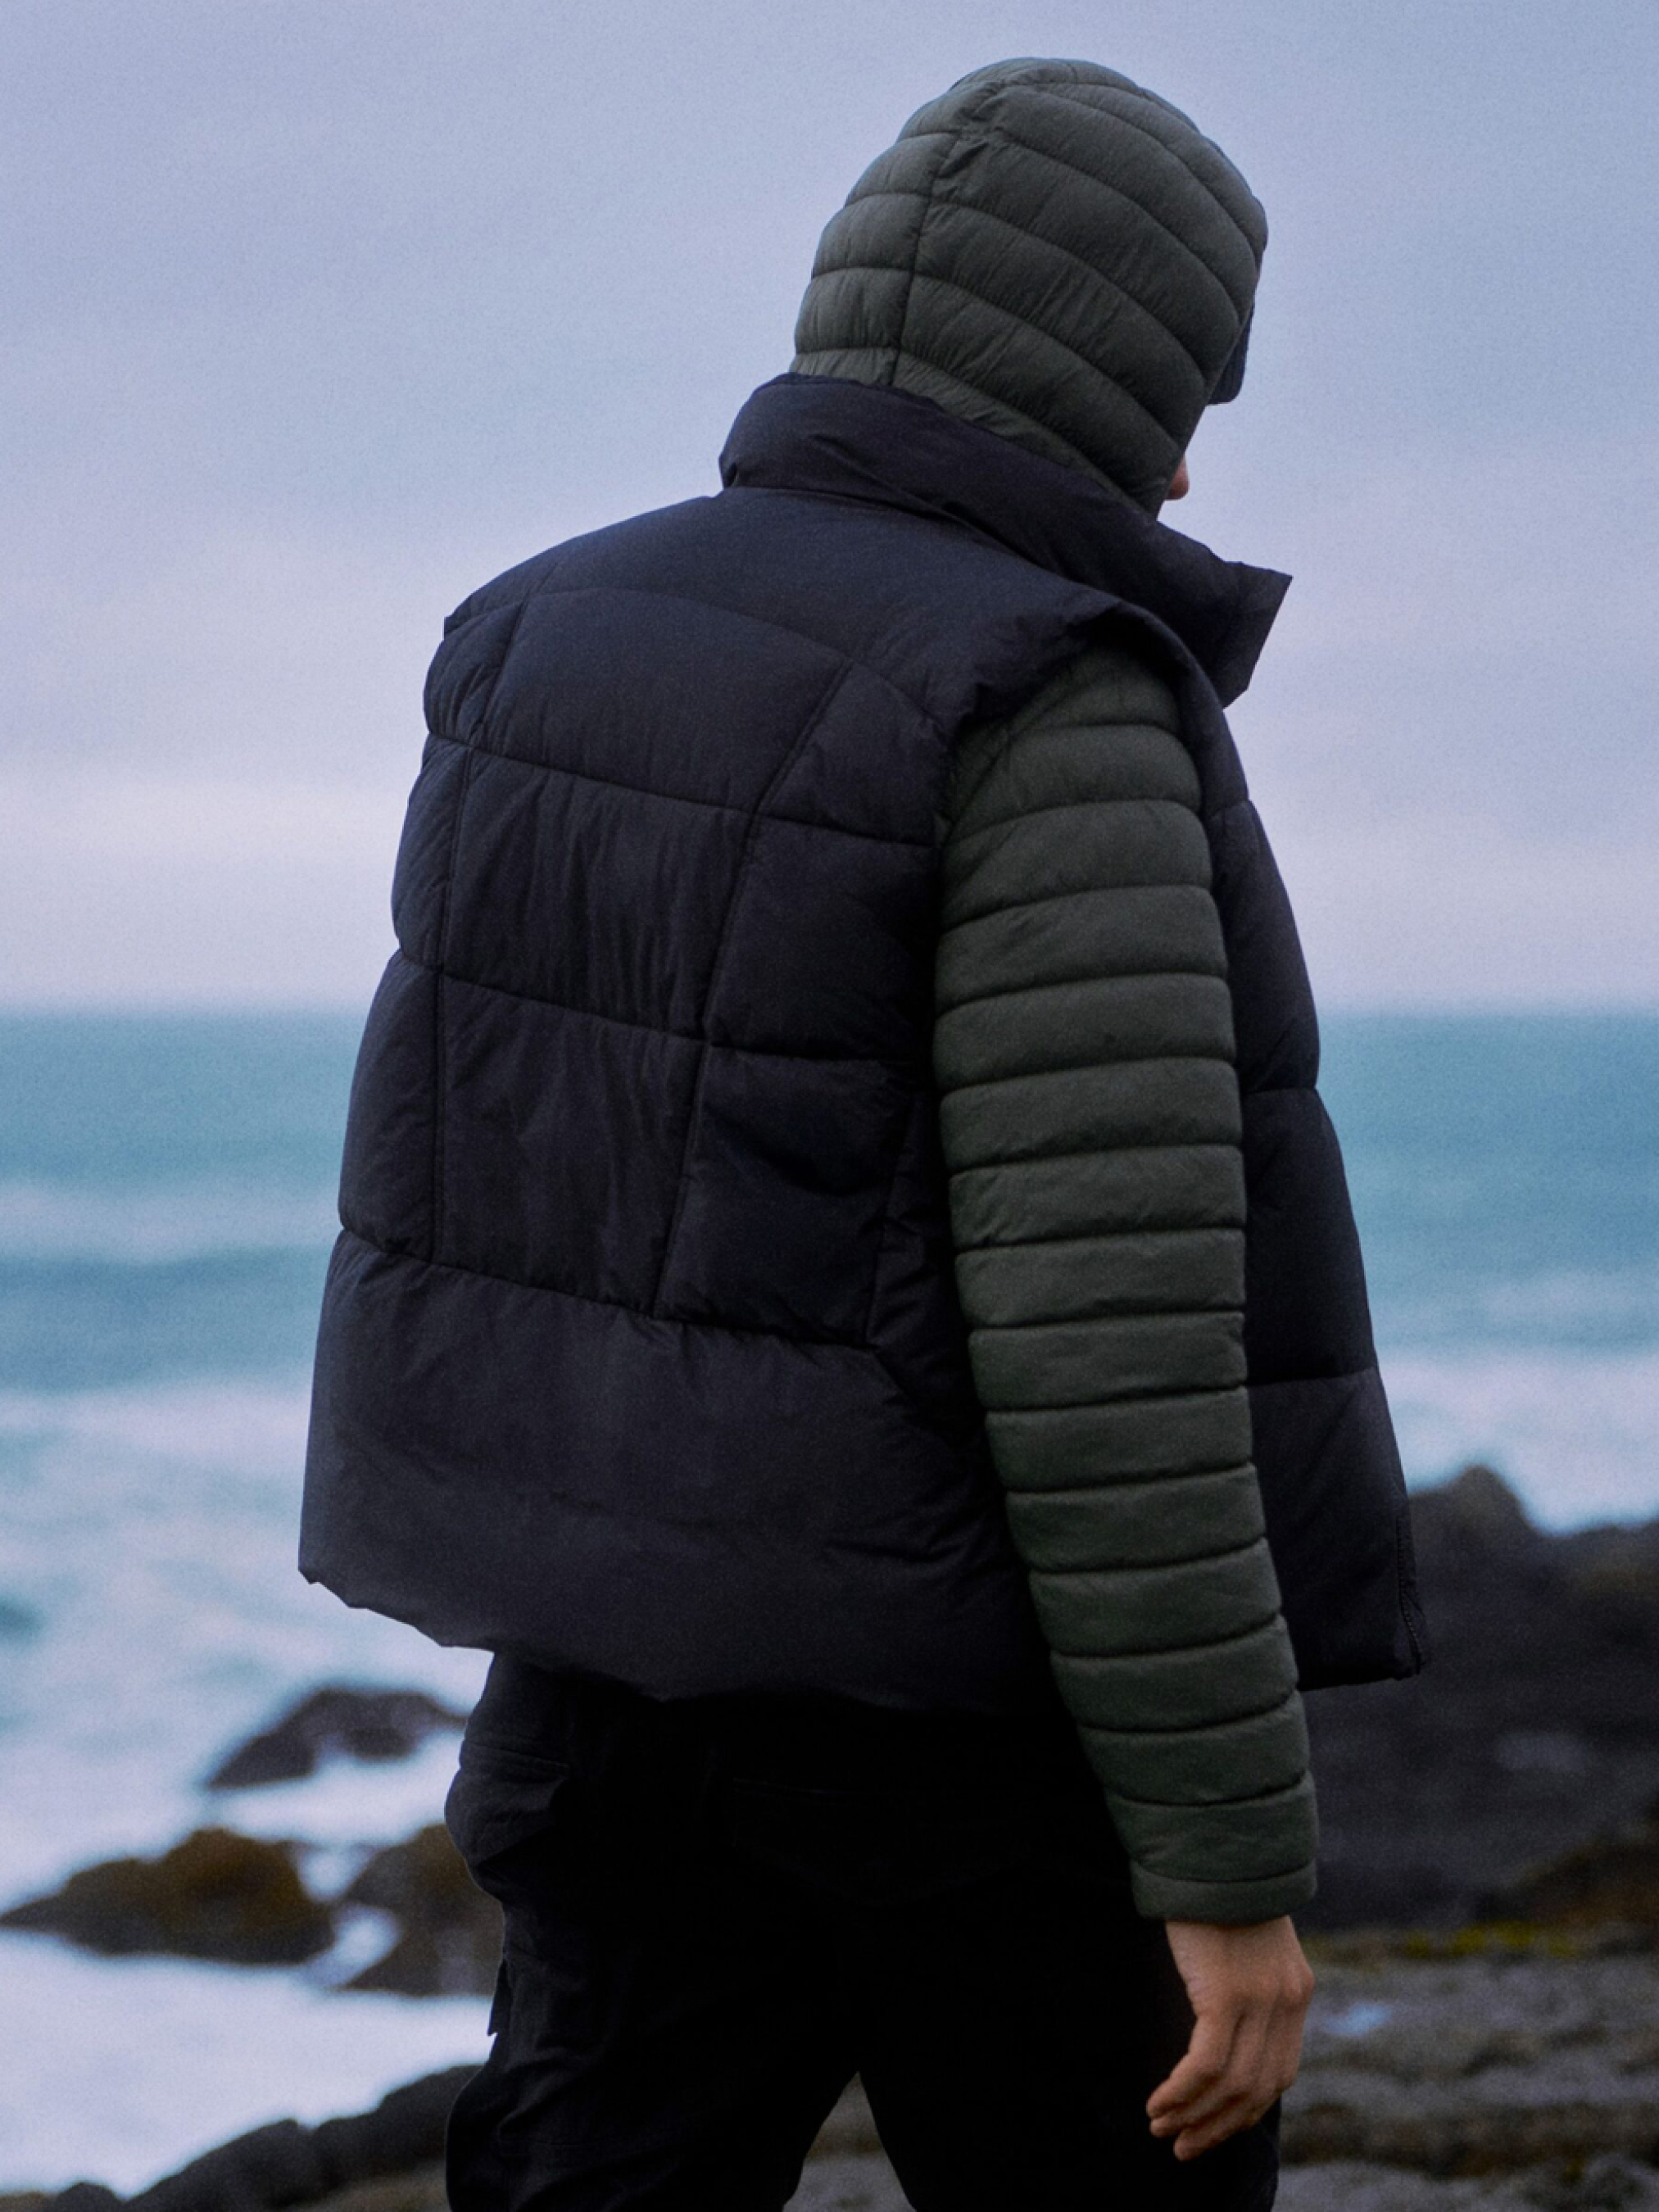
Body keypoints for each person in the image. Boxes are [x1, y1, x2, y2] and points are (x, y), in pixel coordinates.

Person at [299, 55, 1426, 2211]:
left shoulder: (537, 632)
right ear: (1091, 371)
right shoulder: (1044, 694)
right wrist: (1222, 1863)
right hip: (962, 1744)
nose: (1193, 455)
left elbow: (488, 1195)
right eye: (1182, 384)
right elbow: (1105, 1341)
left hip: (602, 1698)